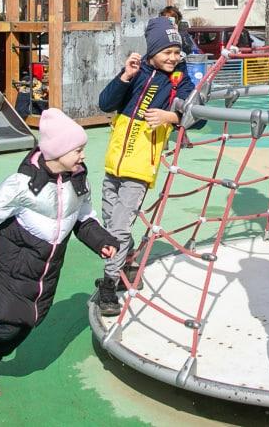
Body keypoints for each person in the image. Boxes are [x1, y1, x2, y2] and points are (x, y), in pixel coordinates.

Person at [0, 108, 118, 399]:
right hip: (16, 265)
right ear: (56, 152)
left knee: (28, 324)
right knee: (9, 324)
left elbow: (84, 217)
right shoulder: (22, 185)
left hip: (47, 270)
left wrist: (101, 241)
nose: (83, 155)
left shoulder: (78, 179)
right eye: (77, 150)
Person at [92, 17, 203, 317]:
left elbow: (199, 114)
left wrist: (172, 118)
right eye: (166, 51)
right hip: (114, 162)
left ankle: (108, 285)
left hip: (140, 167)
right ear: (152, 50)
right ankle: (124, 263)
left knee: (119, 227)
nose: (173, 57)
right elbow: (105, 103)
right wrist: (124, 77)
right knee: (109, 222)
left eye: (176, 52)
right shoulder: (138, 71)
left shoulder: (179, 80)